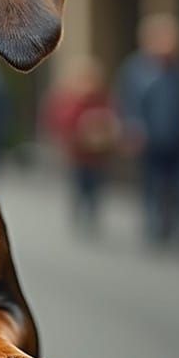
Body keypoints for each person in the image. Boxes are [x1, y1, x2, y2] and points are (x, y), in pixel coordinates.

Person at [116, 14, 179, 245]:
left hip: (177, 136)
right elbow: (128, 102)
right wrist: (131, 129)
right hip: (150, 138)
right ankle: (154, 222)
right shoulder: (136, 70)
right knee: (152, 181)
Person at [43, 57, 119, 231]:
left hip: (99, 155)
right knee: (79, 184)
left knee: (96, 186)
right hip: (77, 154)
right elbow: (60, 121)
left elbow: (113, 118)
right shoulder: (70, 100)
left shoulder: (103, 99)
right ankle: (79, 214)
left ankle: (92, 214)